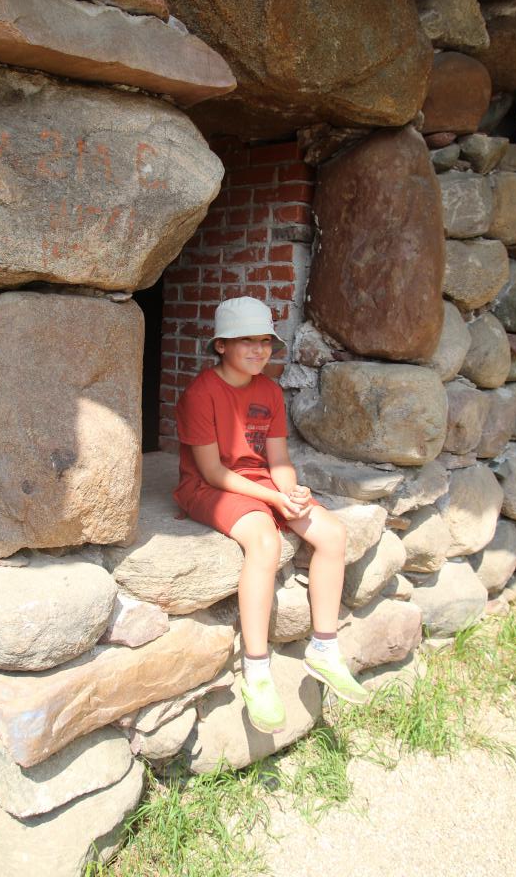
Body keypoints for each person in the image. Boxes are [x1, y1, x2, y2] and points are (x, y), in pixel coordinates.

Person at [174, 296, 368, 734]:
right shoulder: (201, 394)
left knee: (332, 533)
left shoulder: (269, 391)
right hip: (207, 487)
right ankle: (257, 669)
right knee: (264, 540)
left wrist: (290, 492)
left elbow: (278, 459)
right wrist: (273, 501)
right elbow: (212, 471)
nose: (259, 350)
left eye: (265, 341)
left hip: (259, 481)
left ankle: (324, 647)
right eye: (247, 341)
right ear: (221, 345)